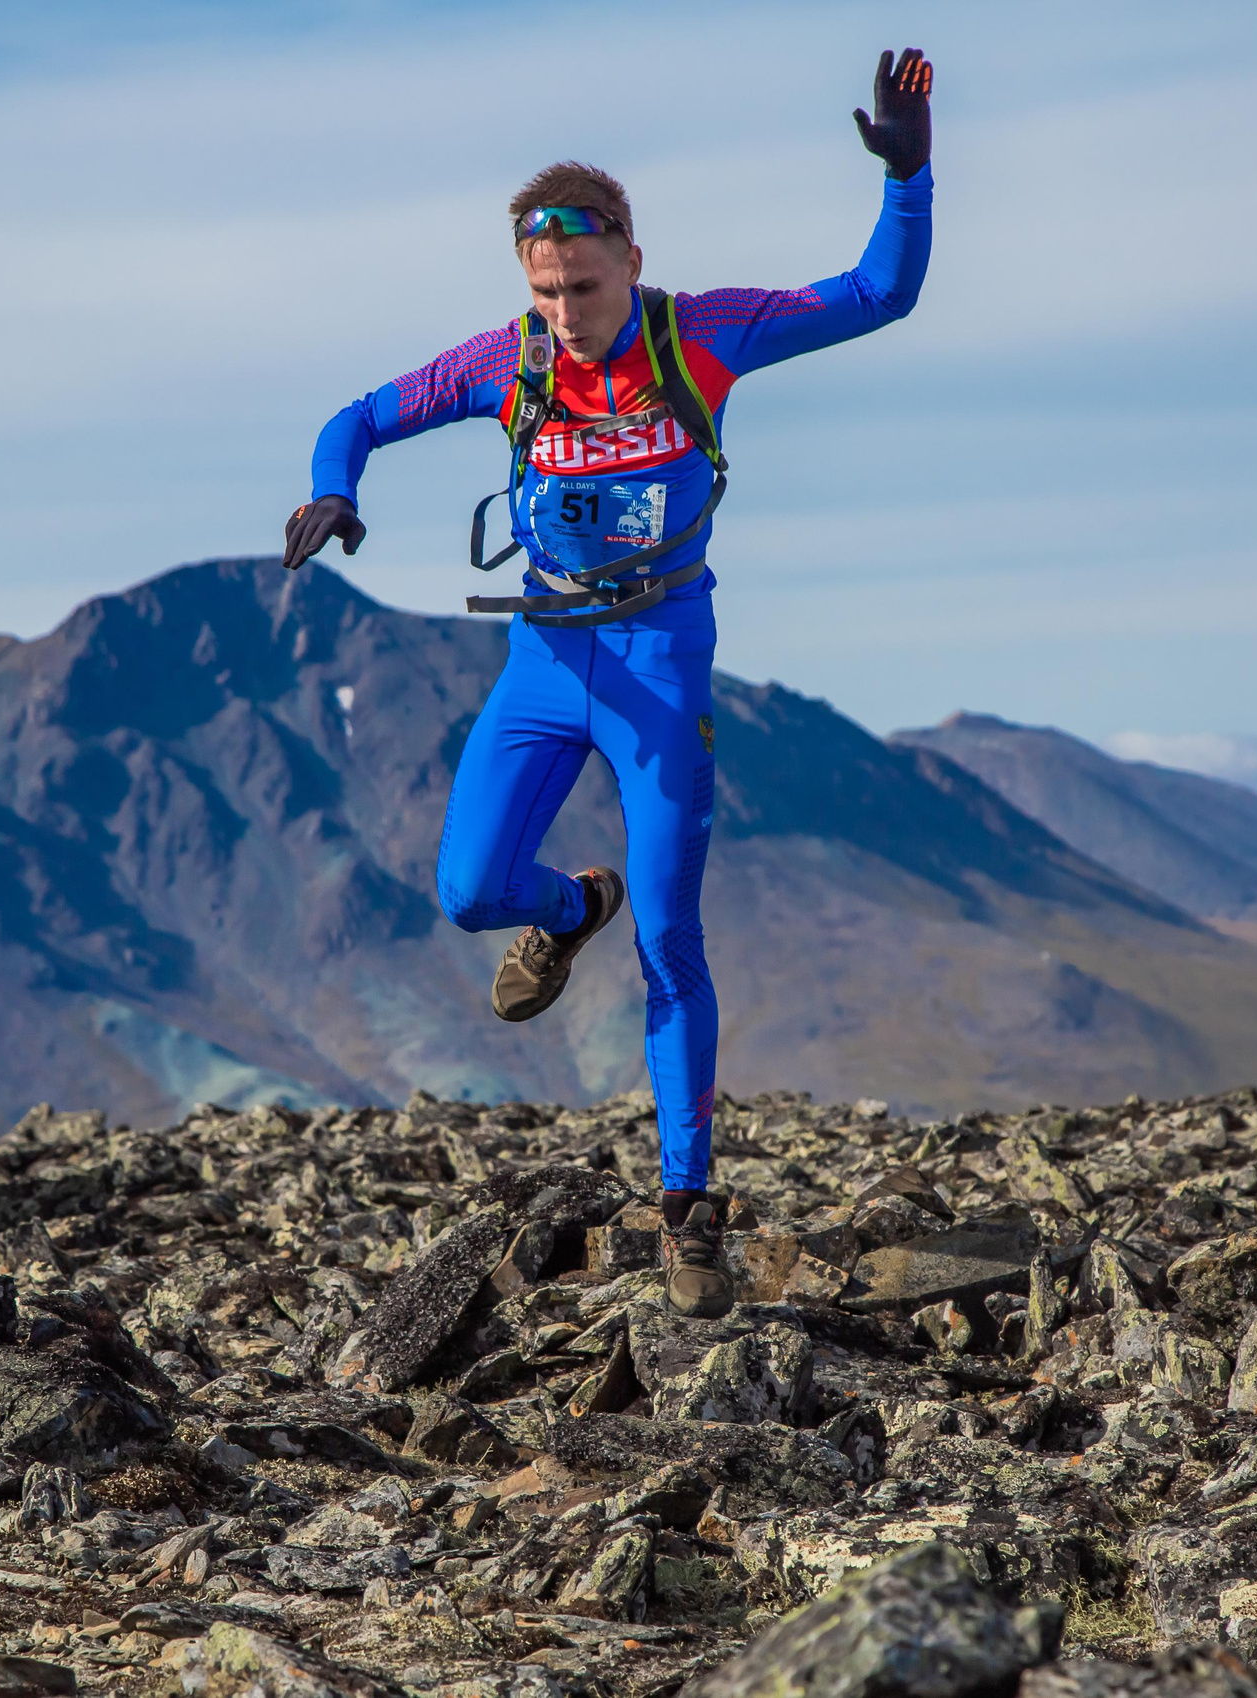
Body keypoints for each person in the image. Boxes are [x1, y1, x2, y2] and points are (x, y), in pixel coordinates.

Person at [281, 49, 935, 1318]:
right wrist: (331, 490)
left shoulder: (706, 335)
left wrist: (907, 174)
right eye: (543, 287)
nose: (565, 310)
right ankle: (565, 908)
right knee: (471, 891)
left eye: (582, 284)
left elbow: (877, 294)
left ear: (631, 257)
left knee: (673, 939)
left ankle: (688, 1216)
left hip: (659, 654)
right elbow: (357, 414)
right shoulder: (508, 360)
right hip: (543, 656)